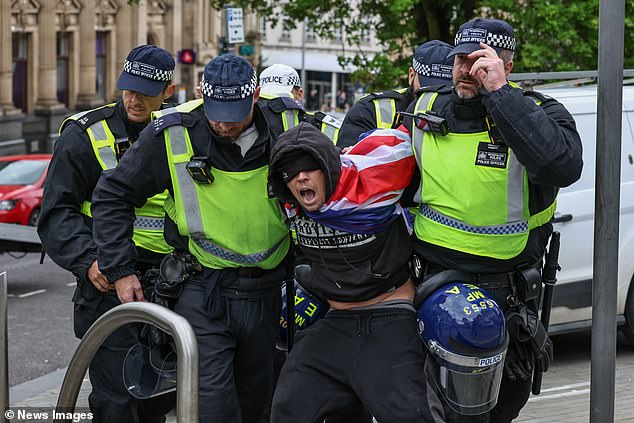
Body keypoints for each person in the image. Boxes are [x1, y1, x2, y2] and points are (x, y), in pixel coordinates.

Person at [90, 53, 291, 423]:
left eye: (234, 115)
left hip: (266, 292)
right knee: (212, 406)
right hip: (203, 288)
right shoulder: (175, 131)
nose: (223, 124)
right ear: (201, 91)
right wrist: (120, 269)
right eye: (215, 111)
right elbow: (113, 194)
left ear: (257, 97)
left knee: (256, 401)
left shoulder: (287, 127)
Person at [402, 17, 582, 422]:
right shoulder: (425, 110)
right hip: (434, 289)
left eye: (481, 61)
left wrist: (499, 93)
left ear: (508, 67)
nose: (467, 70)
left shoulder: (536, 112)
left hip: (506, 299)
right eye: (460, 59)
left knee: (500, 409)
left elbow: (562, 165)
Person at [37, 44, 176, 423]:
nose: (133, 100)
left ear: (168, 91)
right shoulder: (84, 135)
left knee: (156, 402)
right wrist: (89, 262)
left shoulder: (181, 132)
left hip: (170, 283)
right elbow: (56, 214)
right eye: (128, 89)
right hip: (107, 283)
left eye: (146, 93)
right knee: (117, 402)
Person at [268, 122, 438, 422]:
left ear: (329, 166)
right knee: (287, 402)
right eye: (292, 172)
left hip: (391, 318)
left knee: (411, 415)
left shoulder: (371, 179)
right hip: (337, 323)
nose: (301, 176)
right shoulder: (289, 204)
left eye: (310, 167)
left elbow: (407, 135)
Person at [337, 39, 453, 148]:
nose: (435, 95)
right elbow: (347, 163)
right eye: (427, 88)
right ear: (411, 76)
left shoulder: (463, 113)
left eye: (445, 90)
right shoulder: (370, 110)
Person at [258, 63, 342, 143]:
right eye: (264, 98)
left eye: (282, 100)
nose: (271, 106)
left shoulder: (324, 127)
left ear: (299, 94)